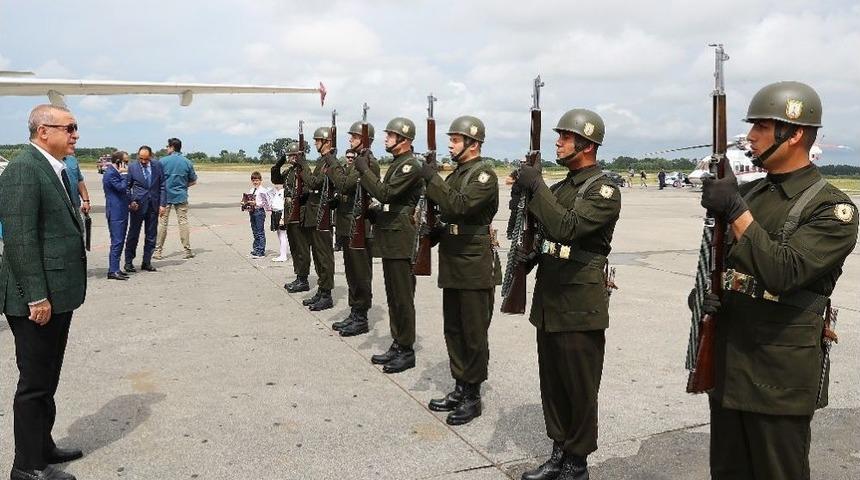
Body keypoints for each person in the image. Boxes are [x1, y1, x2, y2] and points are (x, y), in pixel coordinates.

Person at [698, 81, 858, 479]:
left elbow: (784, 272)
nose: (750, 136)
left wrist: (734, 210)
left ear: (794, 133)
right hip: (730, 364)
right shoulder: (751, 193)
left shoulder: (831, 208)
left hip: (778, 376)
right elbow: (716, 263)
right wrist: (704, 296)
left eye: (762, 127)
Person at [514, 109, 621, 480]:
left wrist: (537, 186)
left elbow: (566, 227)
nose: (557, 142)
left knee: (579, 386)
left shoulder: (603, 190)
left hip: (579, 304)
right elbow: (543, 231)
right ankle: (558, 452)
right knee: (554, 383)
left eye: (565, 137)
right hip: (551, 300)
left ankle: (577, 463)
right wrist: (530, 253)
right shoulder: (562, 188)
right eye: (558, 135)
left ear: (587, 144)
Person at [0, 104, 87, 480]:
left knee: (48, 378)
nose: (75, 135)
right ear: (43, 131)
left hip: (57, 293)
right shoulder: (24, 169)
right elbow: (20, 239)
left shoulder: (55, 168)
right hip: (36, 298)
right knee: (34, 385)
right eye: (69, 128)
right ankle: (27, 466)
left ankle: (42, 446)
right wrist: (36, 297)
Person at [420, 115, 499, 425]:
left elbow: (459, 206)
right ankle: (460, 385)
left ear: (473, 143)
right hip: (453, 259)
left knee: (473, 332)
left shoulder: (484, 176)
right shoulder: (456, 174)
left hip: (474, 263)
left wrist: (432, 179)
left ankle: (472, 395)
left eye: (455, 140)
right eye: (450, 139)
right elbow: (446, 213)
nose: (450, 145)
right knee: (453, 328)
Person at [354, 117, 424, 374]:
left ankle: (406, 350)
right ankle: (398, 343)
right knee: (394, 296)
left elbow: (386, 194)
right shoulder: (398, 163)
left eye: (390, 135)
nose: (386, 138)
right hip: (391, 236)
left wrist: (364, 170)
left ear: (404, 140)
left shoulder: (410, 166)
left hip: (401, 239)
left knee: (402, 297)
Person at [327, 120, 380, 337]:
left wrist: (332, 161)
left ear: (366, 139)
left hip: (359, 226)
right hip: (348, 225)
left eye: (355, 137)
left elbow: (344, 185)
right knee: (351, 272)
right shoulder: (357, 162)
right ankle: (355, 311)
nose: (350, 140)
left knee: (360, 273)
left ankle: (361, 317)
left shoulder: (369, 163)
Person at [292, 127, 337, 311]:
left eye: (318, 140)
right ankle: (322, 290)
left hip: (321, 214)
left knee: (324, 257)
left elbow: (314, 183)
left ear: (326, 142)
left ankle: (326, 294)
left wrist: (303, 164)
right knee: (318, 256)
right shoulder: (322, 161)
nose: (315, 143)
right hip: (315, 214)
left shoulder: (330, 162)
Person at [273, 143, 311, 291]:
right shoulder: (289, 171)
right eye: (289, 156)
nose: (290, 158)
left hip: (299, 212)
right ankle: (299, 276)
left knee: (301, 247)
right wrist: (279, 163)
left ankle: (303, 279)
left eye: (292, 155)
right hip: (289, 211)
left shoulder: (303, 170)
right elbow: (276, 179)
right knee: (294, 246)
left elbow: (308, 188)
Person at [154, 137, 197, 260]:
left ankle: (158, 251)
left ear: (172, 147)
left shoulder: (162, 161)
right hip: (181, 195)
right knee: (183, 222)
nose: (166, 148)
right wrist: (183, 186)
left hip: (165, 196)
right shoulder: (187, 162)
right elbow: (193, 180)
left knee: (163, 223)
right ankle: (187, 250)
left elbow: (156, 179)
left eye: (168, 146)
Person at [124, 145, 165, 272]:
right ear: (138, 156)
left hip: (153, 205)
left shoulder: (158, 165)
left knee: (151, 235)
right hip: (138, 206)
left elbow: (163, 185)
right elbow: (127, 187)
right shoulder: (132, 167)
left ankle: (147, 262)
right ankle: (128, 262)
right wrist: (130, 201)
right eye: (141, 158)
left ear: (151, 156)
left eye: (146, 159)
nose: (143, 161)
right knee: (133, 234)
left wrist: (162, 204)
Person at [103, 150, 131, 280]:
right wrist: (124, 174)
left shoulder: (115, 173)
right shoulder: (111, 174)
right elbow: (122, 188)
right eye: (126, 162)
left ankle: (116, 268)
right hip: (116, 212)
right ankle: (113, 270)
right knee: (117, 241)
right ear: (119, 162)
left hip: (122, 210)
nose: (127, 164)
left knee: (120, 240)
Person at [242, 171, 270, 258]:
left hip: (259, 211)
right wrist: (245, 203)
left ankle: (261, 251)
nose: (255, 182)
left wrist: (256, 203)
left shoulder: (263, 191)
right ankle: (256, 249)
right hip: (252, 211)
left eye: (257, 180)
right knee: (255, 232)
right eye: (253, 180)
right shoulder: (252, 190)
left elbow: (266, 202)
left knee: (260, 232)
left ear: (260, 180)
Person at [269, 180, 289, 262]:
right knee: (279, 234)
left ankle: (283, 255)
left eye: (278, 184)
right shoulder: (274, 191)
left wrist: (283, 217)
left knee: (282, 235)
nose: (276, 185)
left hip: (280, 213)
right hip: (275, 212)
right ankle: (282, 254)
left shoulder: (283, 192)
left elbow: (285, 205)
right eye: (275, 183)